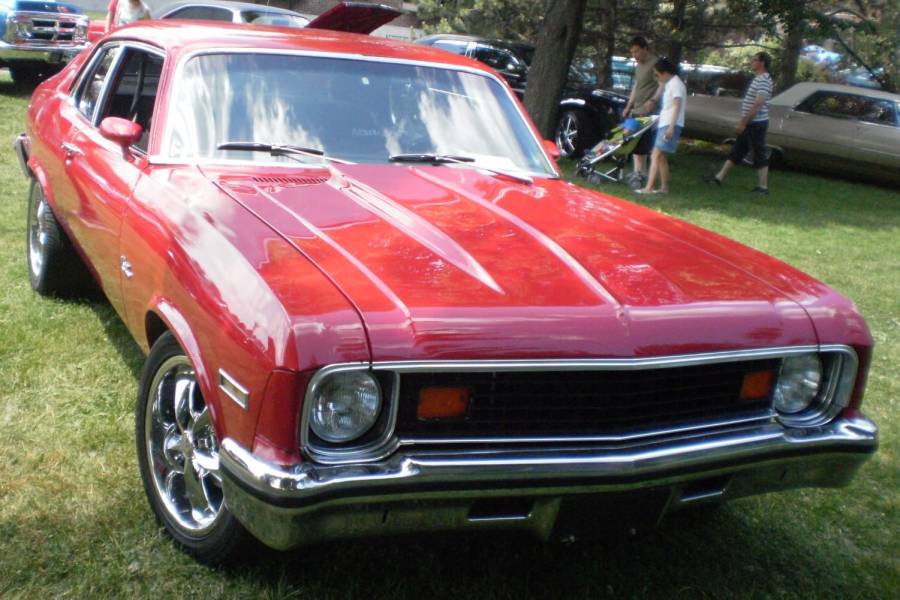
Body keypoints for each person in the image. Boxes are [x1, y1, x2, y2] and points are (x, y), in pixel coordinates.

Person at [704, 52, 773, 194]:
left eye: (754, 60)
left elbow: (758, 104)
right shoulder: (758, 78)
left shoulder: (764, 80)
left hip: (756, 123)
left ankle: (763, 187)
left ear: (762, 63)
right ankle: (718, 178)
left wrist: (744, 123)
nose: (752, 62)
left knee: (759, 153)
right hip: (750, 122)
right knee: (738, 150)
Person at [637, 58, 685, 195]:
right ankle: (664, 187)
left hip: (670, 124)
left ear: (665, 73)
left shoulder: (676, 84)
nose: (657, 77)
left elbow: (677, 106)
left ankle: (649, 187)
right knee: (661, 156)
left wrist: (671, 127)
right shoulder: (671, 83)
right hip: (666, 123)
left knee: (655, 155)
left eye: (657, 74)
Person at [621, 36, 659, 187]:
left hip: (647, 110)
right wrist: (628, 105)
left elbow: (662, 85)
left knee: (642, 142)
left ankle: (641, 174)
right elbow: (636, 86)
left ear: (645, 49)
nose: (634, 55)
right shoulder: (638, 66)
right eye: (632, 52)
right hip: (636, 108)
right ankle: (638, 172)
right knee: (633, 140)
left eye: (636, 51)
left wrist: (653, 100)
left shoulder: (655, 64)